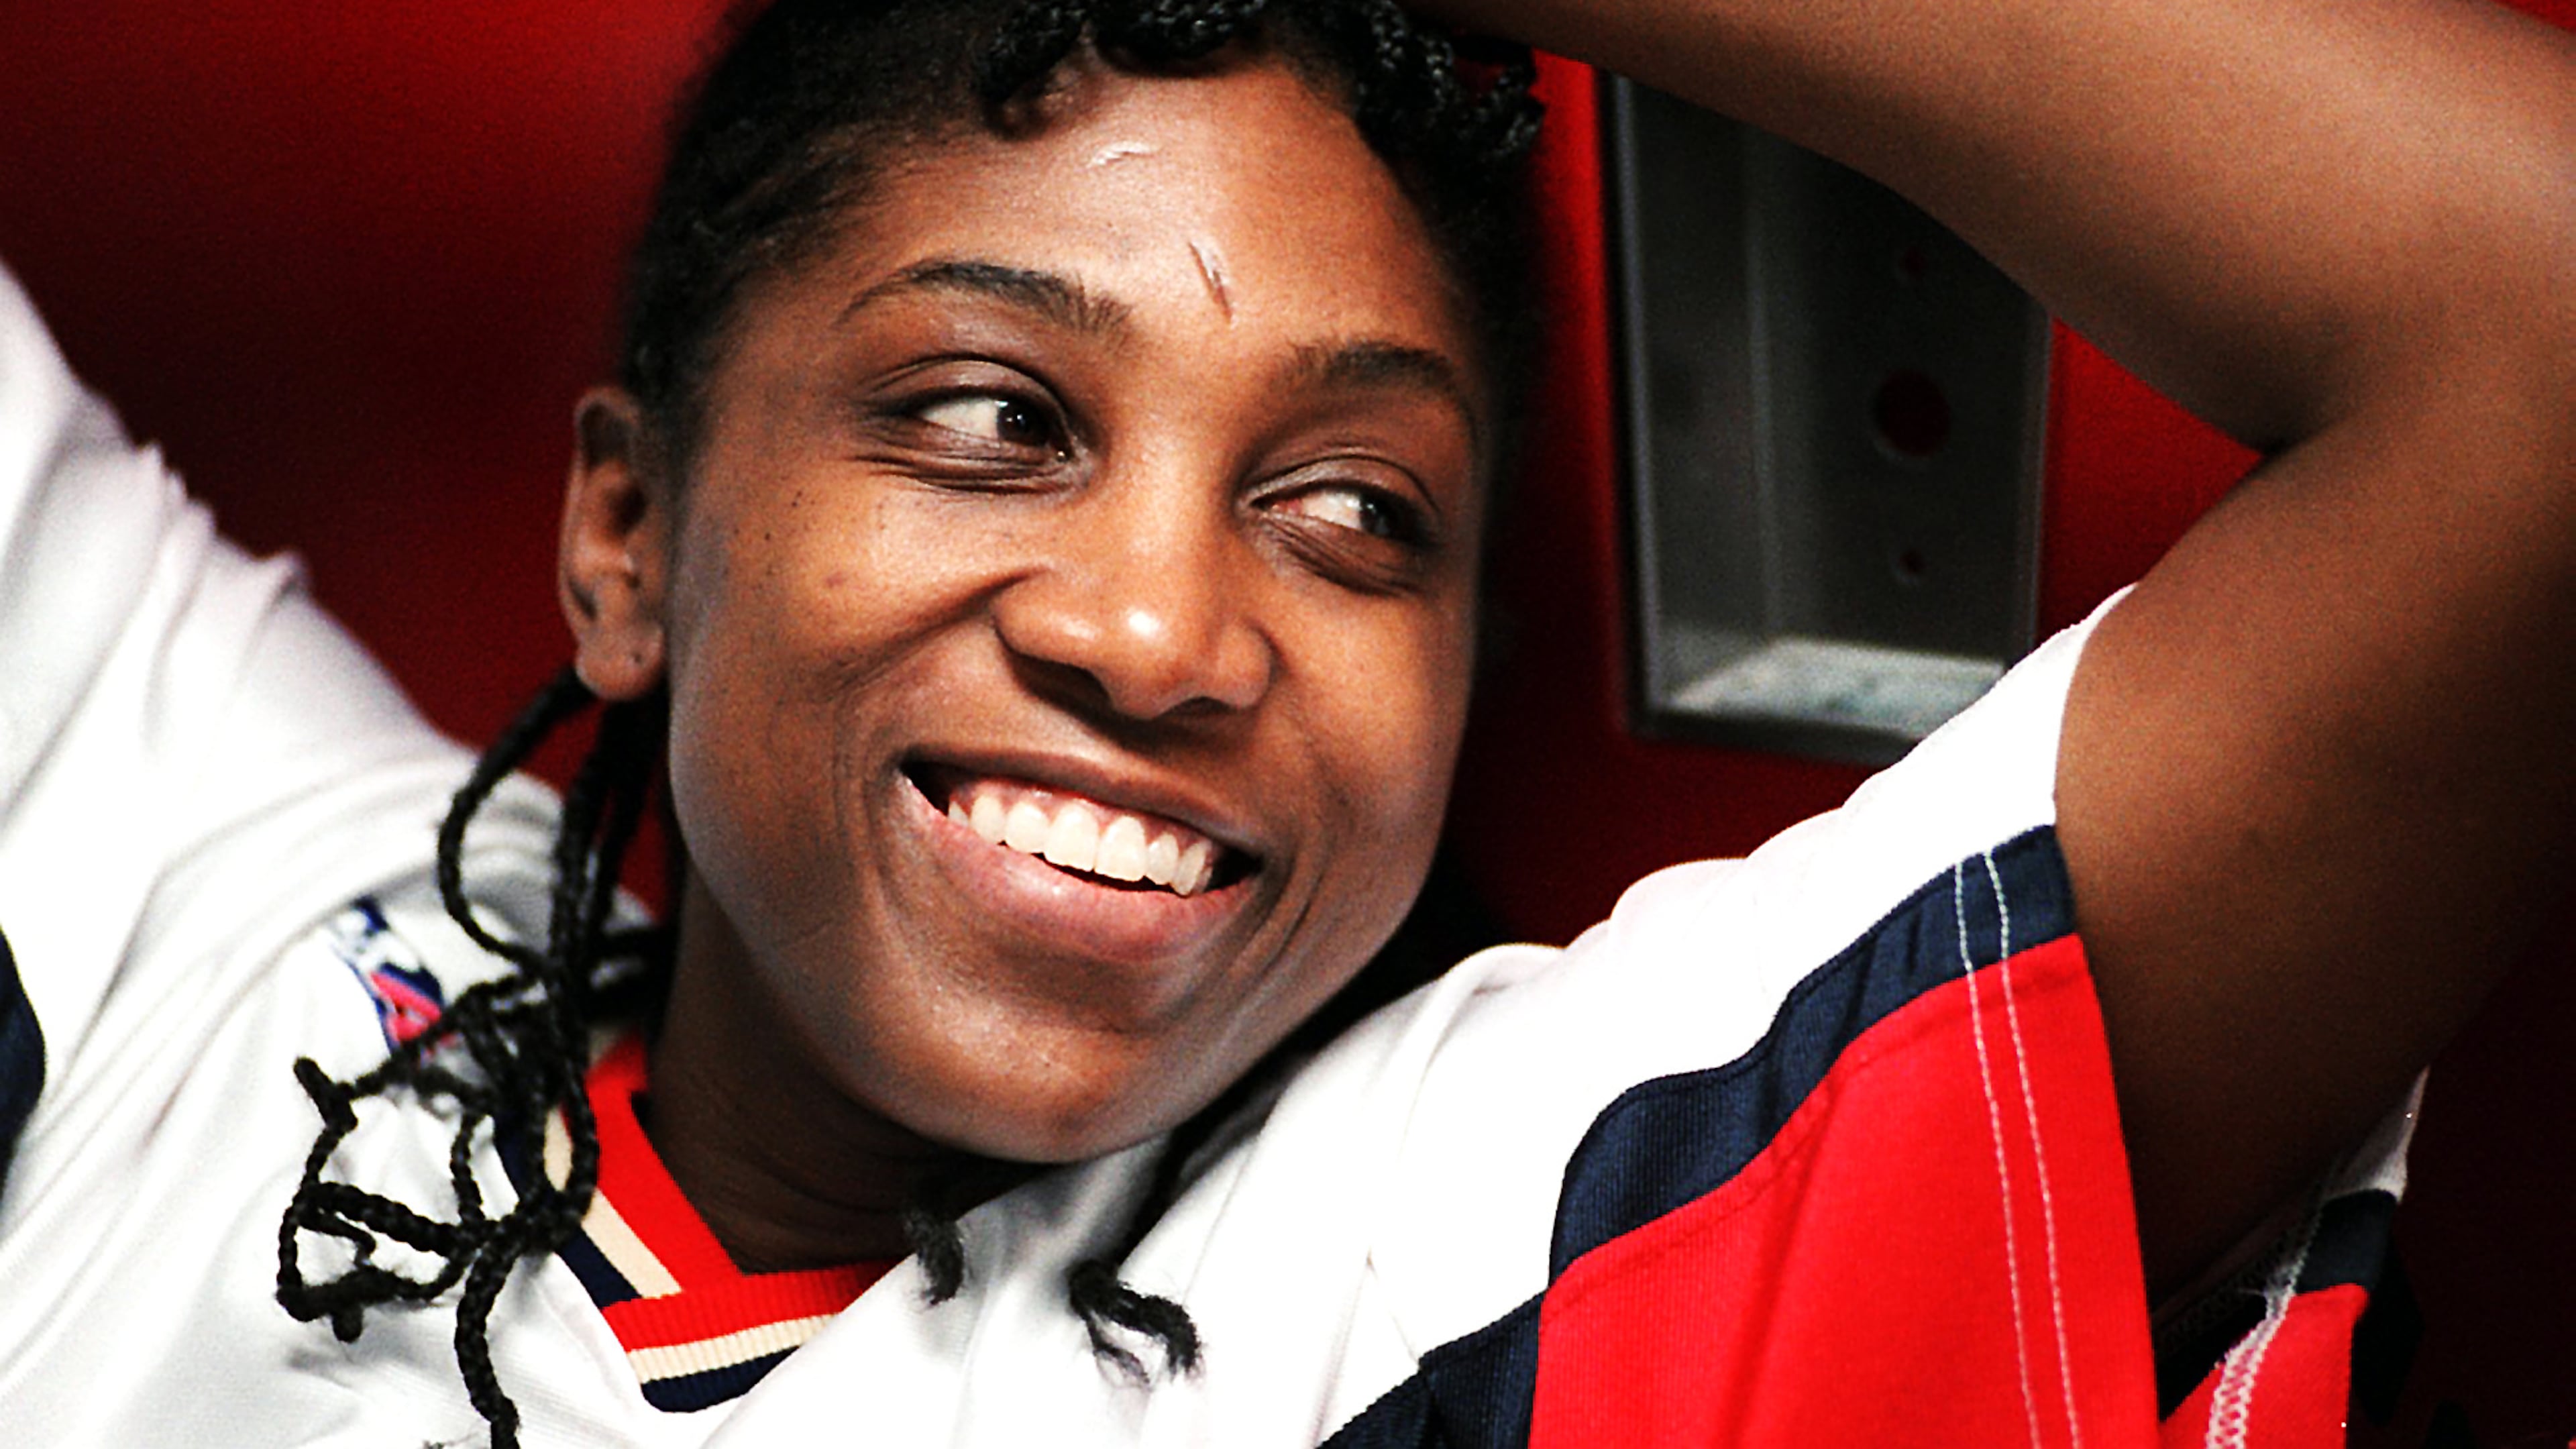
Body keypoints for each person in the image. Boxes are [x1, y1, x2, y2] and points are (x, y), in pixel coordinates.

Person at [0, 0, 2565, 1445]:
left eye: (1352, 514)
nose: (1159, 631)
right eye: (994, 417)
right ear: (632, 541)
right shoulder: (200, 907)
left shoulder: (1496, 1239)